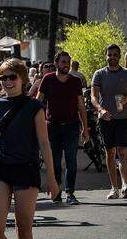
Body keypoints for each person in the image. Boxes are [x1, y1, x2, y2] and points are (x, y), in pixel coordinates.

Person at [0, 58, 58, 239]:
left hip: (26, 168)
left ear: (22, 78)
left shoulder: (34, 107)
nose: (7, 82)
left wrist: (52, 178)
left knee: (23, 229)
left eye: (12, 77)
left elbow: (44, 144)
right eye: (3, 78)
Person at [36, 51, 89, 205]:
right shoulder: (48, 79)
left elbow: (81, 105)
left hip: (72, 126)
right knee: (55, 161)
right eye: (63, 62)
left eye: (68, 62)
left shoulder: (75, 81)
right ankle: (57, 190)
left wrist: (85, 128)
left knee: (71, 161)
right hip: (52, 126)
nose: (66, 64)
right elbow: (38, 102)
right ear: (56, 63)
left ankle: (70, 192)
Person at [91, 44, 127, 200]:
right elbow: (93, 97)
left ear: (119, 56)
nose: (112, 57)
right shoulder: (99, 74)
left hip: (123, 117)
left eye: (115, 55)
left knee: (123, 151)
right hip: (106, 118)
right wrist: (100, 110)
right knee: (110, 153)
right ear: (106, 56)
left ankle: (125, 185)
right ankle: (114, 188)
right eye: (109, 55)